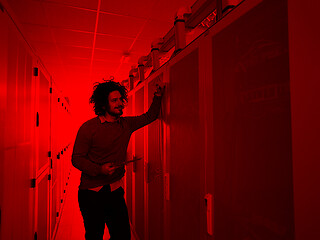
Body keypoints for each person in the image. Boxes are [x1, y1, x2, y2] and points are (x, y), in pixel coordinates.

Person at [71, 80, 165, 240]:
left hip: (115, 192)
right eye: (114, 100)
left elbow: (150, 116)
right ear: (103, 104)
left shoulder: (126, 124)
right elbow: (76, 159)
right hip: (91, 193)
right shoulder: (88, 128)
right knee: (94, 236)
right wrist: (99, 169)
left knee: (122, 236)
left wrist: (157, 96)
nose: (120, 103)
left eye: (121, 99)